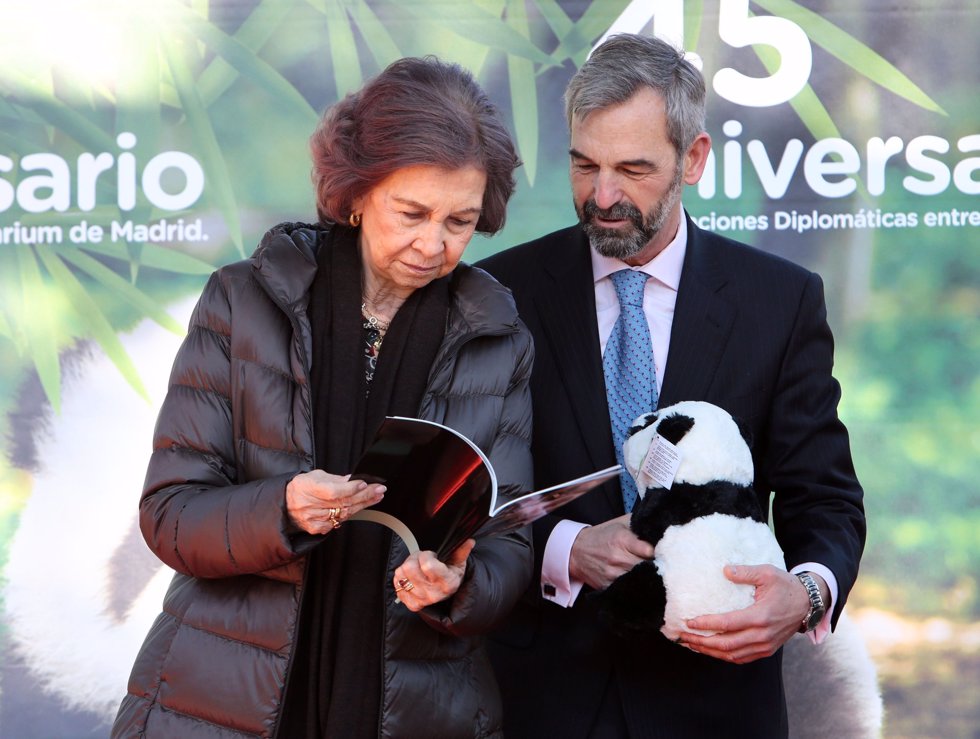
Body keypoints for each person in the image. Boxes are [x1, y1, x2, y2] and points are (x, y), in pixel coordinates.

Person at [112, 56, 533, 739]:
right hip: (224, 699)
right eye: (412, 212)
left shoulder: (497, 333)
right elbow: (169, 515)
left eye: (459, 220)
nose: (434, 244)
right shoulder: (244, 301)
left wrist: (458, 585)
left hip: (416, 705)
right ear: (358, 192)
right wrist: (279, 509)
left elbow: (510, 542)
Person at [478, 33, 866, 738]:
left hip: (720, 703)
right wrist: (564, 549)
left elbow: (826, 497)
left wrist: (804, 594)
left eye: (632, 168)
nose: (601, 196)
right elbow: (470, 500)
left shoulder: (780, 300)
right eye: (584, 164)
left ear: (693, 159)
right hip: (540, 703)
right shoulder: (499, 294)